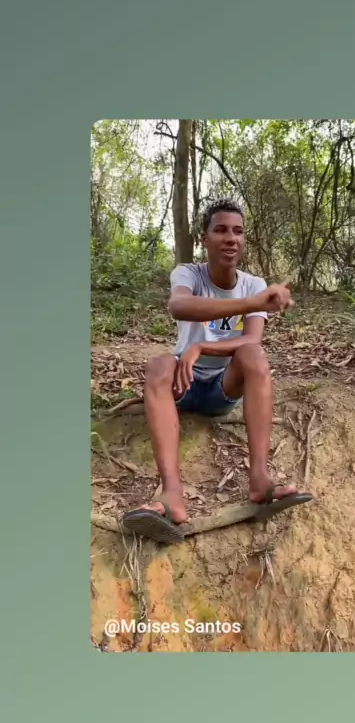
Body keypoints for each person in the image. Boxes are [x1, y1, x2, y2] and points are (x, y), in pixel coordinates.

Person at [123, 199, 312, 542]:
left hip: (223, 387)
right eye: (221, 230)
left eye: (238, 231)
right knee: (158, 364)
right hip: (182, 384)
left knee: (254, 354)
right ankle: (172, 495)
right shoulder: (188, 274)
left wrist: (202, 347)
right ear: (204, 239)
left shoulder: (253, 283)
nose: (231, 238)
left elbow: (251, 339)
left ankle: (260, 479)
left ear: (244, 240)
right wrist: (253, 304)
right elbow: (179, 306)